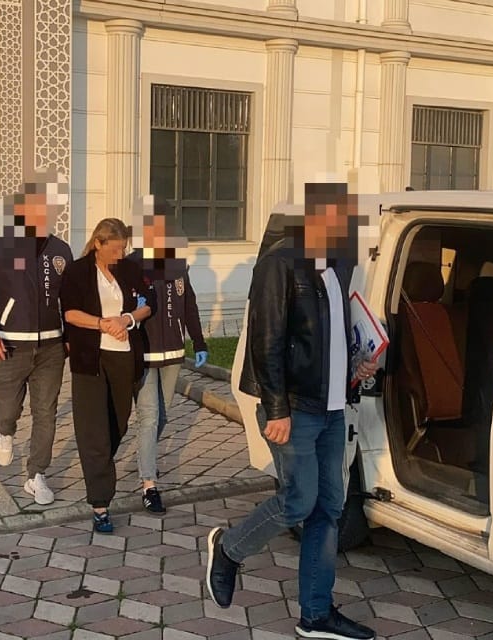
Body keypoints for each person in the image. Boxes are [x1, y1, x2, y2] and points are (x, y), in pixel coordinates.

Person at [204, 182, 378, 640]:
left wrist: (357, 365)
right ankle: (229, 549)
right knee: (299, 500)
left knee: (330, 508)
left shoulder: (339, 266)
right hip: (294, 409)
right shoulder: (280, 263)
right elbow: (266, 342)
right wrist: (276, 409)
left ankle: (315, 615)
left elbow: (329, 337)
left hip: (332, 408)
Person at [0, 172, 74, 505]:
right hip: (8, 346)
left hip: (51, 349)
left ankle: (36, 475)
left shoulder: (61, 250)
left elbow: (71, 299)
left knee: (46, 412)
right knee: (8, 408)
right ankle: (5, 432)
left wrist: (70, 338)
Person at [60, 218, 153, 532]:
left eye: (123, 248)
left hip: (124, 357)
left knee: (118, 422)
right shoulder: (77, 271)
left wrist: (127, 319)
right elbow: (70, 313)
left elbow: (148, 304)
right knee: (93, 431)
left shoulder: (128, 269)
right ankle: (100, 503)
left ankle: (98, 465)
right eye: (114, 248)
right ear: (98, 244)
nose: (119, 254)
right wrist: (103, 324)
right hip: (90, 359)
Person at [126, 195, 208, 513]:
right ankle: (150, 485)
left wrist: (199, 342)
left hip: (173, 353)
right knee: (149, 417)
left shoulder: (176, 262)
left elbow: (189, 305)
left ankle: (144, 456)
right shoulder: (131, 264)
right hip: (145, 354)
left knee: (161, 416)